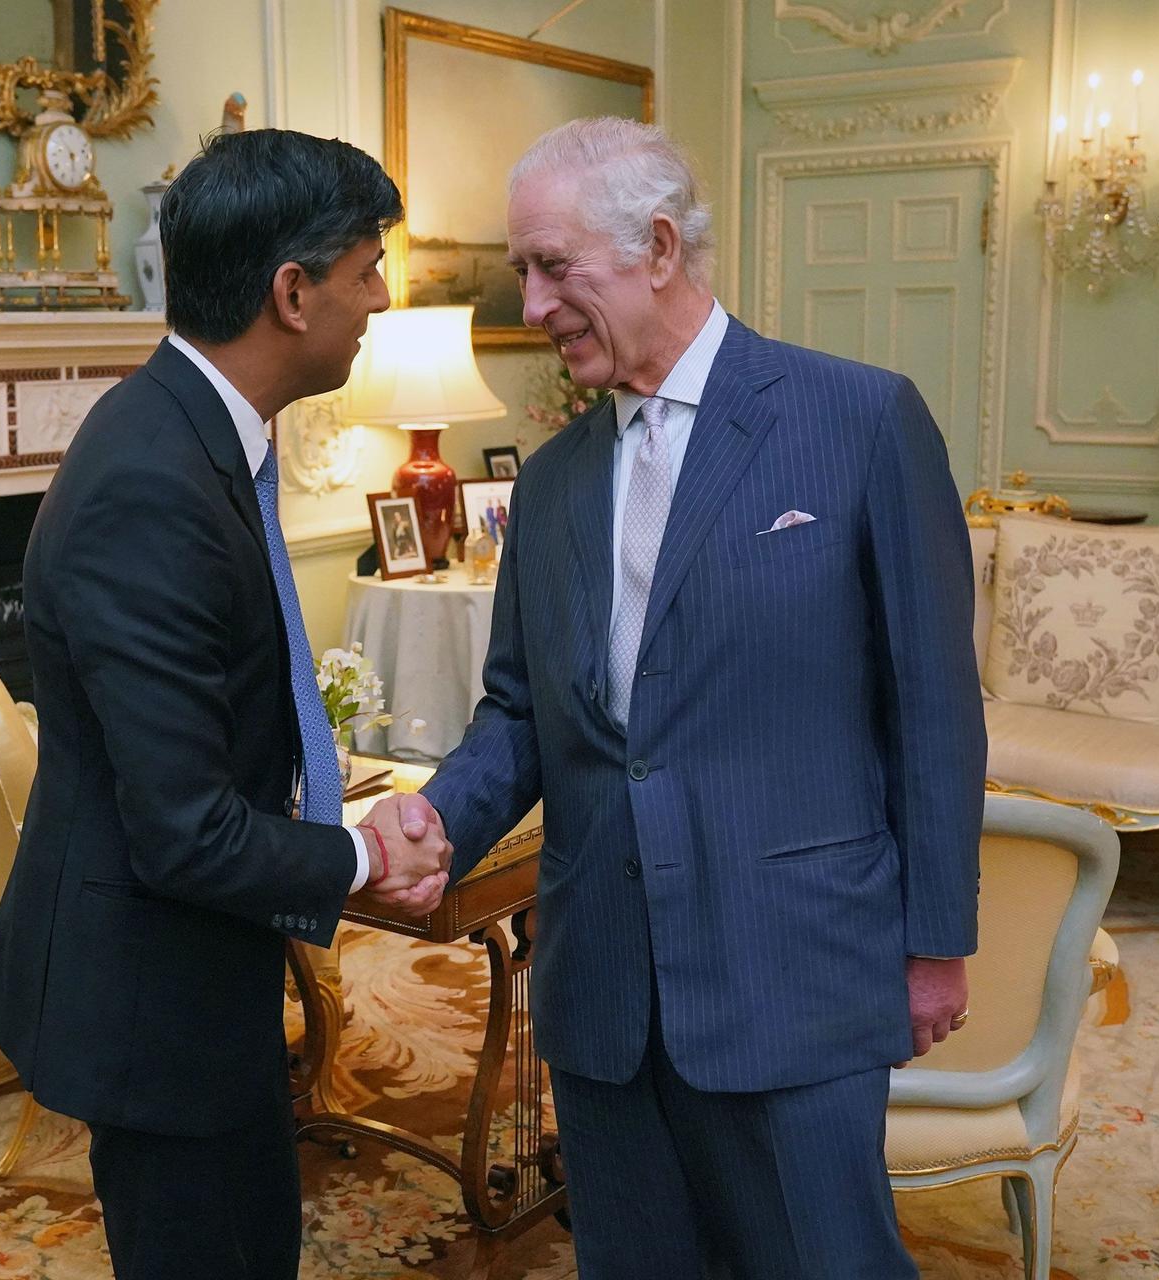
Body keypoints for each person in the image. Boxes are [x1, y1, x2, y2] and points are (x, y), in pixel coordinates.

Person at [377, 117, 986, 1278]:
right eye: (522, 269)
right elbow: (519, 710)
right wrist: (441, 821)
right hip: (605, 993)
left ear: (659, 246)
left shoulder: (856, 422)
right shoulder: (549, 481)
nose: (533, 299)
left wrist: (934, 944)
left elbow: (936, 710)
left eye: (555, 266)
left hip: (792, 976)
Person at [0, 128, 451, 1280]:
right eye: (365, 269)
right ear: (292, 293)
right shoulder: (155, 478)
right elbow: (185, 830)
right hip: (152, 995)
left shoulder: (194, 433)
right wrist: (355, 859)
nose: (379, 297)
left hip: (195, 975)